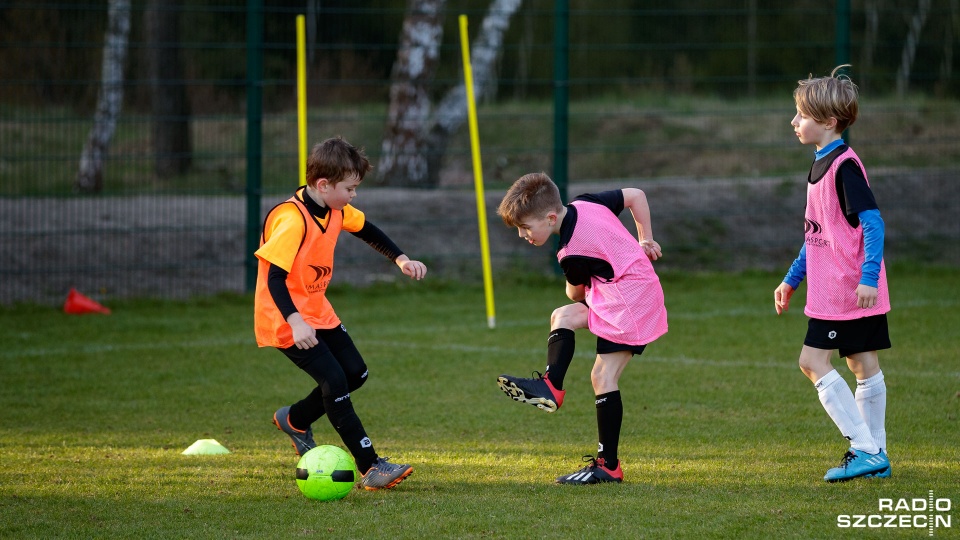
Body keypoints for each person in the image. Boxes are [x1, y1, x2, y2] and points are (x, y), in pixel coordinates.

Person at [253, 136, 427, 491]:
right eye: (350, 188)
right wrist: (295, 320)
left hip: (318, 311)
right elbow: (274, 278)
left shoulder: (335, 209)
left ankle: (295, 419)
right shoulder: (292, 220)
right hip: (286, 318)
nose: (354, 195)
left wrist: (401, 259)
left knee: (355, 374)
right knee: (334, 381)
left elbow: (367, 230)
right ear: (323, 184)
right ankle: (371, 466)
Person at [495, 172, 668, 484]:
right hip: (627, 291)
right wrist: (645, 238)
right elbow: (636, 195)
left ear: (549, 218)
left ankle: (608, 466)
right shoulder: (586, 203)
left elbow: (575, 292)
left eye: (525, 228)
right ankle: (552, 386)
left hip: (629, 302)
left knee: (603, 376)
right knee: (562, 317)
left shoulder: (570, 251)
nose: (523, 235)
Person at [775, 65, 891, 482]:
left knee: (811, 361)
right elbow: (816, 233)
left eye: (801, 116)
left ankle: (865, 450)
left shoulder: (843, 167)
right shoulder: (820, 164)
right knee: (862, 364)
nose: (794, 122)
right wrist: (792, 278)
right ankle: (877, 456)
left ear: (827, 122)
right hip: (836, 287)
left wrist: (868, 277)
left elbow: (873, 223)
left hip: (848, 288)